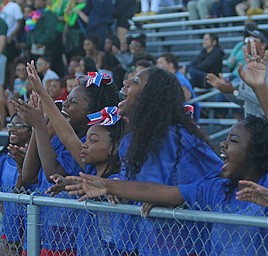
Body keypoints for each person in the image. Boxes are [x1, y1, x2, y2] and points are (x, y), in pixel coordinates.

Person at [66, 41, 268, 255]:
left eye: (233, 140)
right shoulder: (216, 189)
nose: (222, 144)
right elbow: (159, 191)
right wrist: (110, 186)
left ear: (255, 150)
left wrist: (260, 88)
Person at [77, 65, 222, 255]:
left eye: (136, 81)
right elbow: (138, 186)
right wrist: (119, 188)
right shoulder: (129, 141)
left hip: (184, 245)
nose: (126, 82)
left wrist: (173, 199)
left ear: (152, 97)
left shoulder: (181, 139)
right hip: (142, 243)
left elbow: (216, 186)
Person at [13, 61, 120, 255]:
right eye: (67, 98)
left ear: (91, 112)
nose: (65, 103)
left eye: (74, 102)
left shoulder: (86, 147)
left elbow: (52, 173)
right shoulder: (55, 136)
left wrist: (39, 124)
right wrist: (42, 125)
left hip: (68, 233)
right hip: (44, 225)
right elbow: (29, 176)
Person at [207, 29, 268, 117]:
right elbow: (243, 101)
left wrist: (235, 91)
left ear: (263, 44)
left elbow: (267, 100)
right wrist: (227, 90)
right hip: (252, 122)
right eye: (247, 40)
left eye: (252, 40)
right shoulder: (247, 66)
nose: (248, 43)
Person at [0, 114, 32, 256]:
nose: (13, 129)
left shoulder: (37, 160)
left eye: (19, 126)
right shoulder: (3, 158)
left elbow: (23, 190)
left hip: (30, 222)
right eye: (11, 125)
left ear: (31, 131)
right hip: (9, 223)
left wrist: (22, 166)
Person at [156, 52, 201, 122]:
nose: (157, 65)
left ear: (170, 64)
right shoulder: (169, 79)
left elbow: (186, 98)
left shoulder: (180, 79)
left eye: (161, 63)